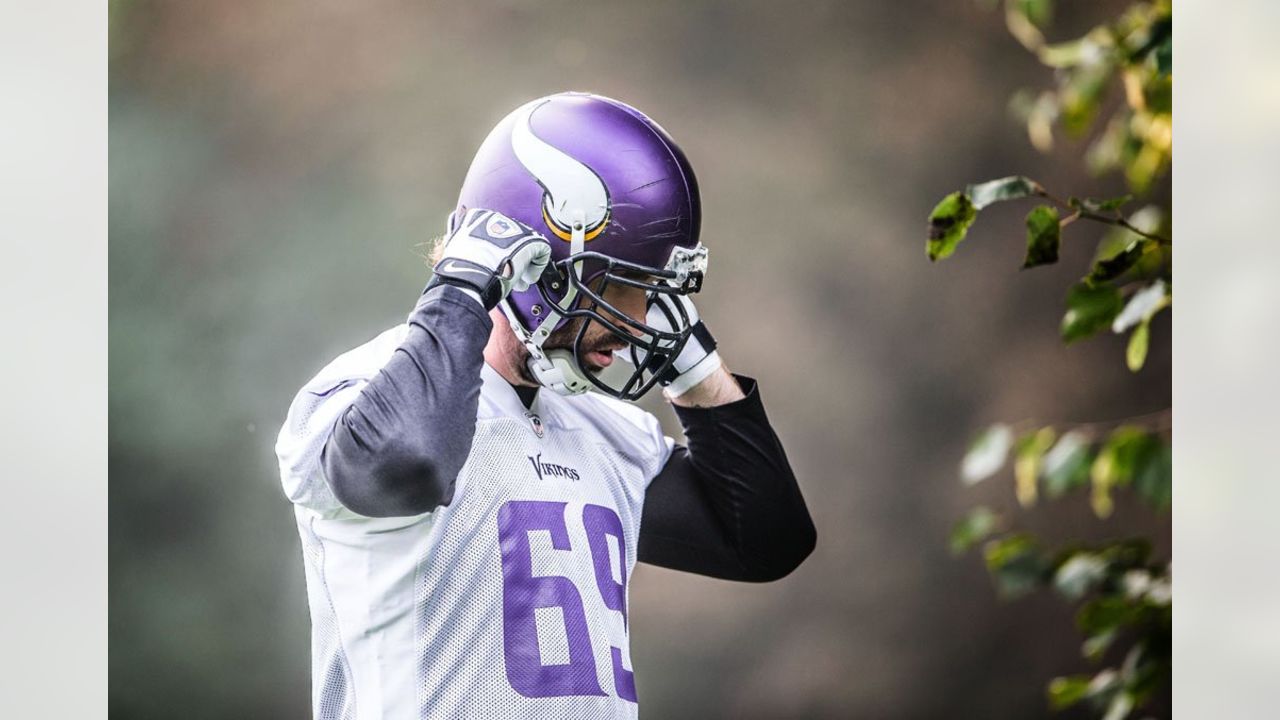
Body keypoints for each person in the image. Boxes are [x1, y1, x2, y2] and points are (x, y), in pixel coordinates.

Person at [275, 91, 816, 719]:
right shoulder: (361, 392)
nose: (641, 324)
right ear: (536, 267)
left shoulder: (600, 429)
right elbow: (409, 463)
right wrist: (458, 290)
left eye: (653, 294)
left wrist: (699, 368)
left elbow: (765, 541)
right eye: (624, 288)